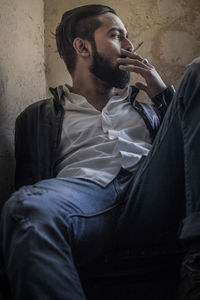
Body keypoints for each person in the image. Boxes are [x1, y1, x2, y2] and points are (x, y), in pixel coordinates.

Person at [0, 4, 199, 300]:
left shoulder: (149, 109)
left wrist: (163, 96)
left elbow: (186, 151)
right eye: (118, 36)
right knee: (23, 209)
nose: (130, 46)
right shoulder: (37, 116)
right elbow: (31, 184)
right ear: (82, 46)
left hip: (150, 191)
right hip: (82, 199)